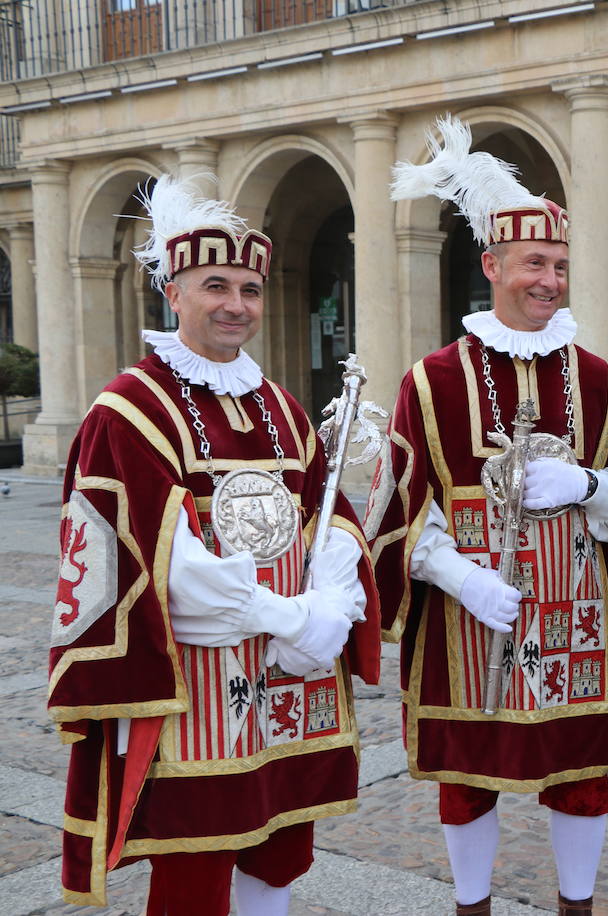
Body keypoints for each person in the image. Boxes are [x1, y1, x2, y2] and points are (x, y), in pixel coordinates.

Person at [46, 174, 380, 913]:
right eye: (215, 285)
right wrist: (290, 619)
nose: (236, 305)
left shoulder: (282, 407)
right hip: (195, 683)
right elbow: (158, 558)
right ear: (174, 290)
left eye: (251, 290)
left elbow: (332, 516)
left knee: (281, 845)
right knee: (196, 859)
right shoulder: (128, 410)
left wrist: (332, 601)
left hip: (295, 675)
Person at [369, 115, 608, 916]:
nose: (549, 280)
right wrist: (456, 574)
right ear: (492, 265)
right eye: (534, 262)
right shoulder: (432, 379)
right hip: (471, 613)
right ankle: (472, 905)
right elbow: (401, 502)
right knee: (468, 778)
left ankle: (577, 906)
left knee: (581, 774)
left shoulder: (597, 376)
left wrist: (590, 488)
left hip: (577, 610)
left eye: (560, 265)